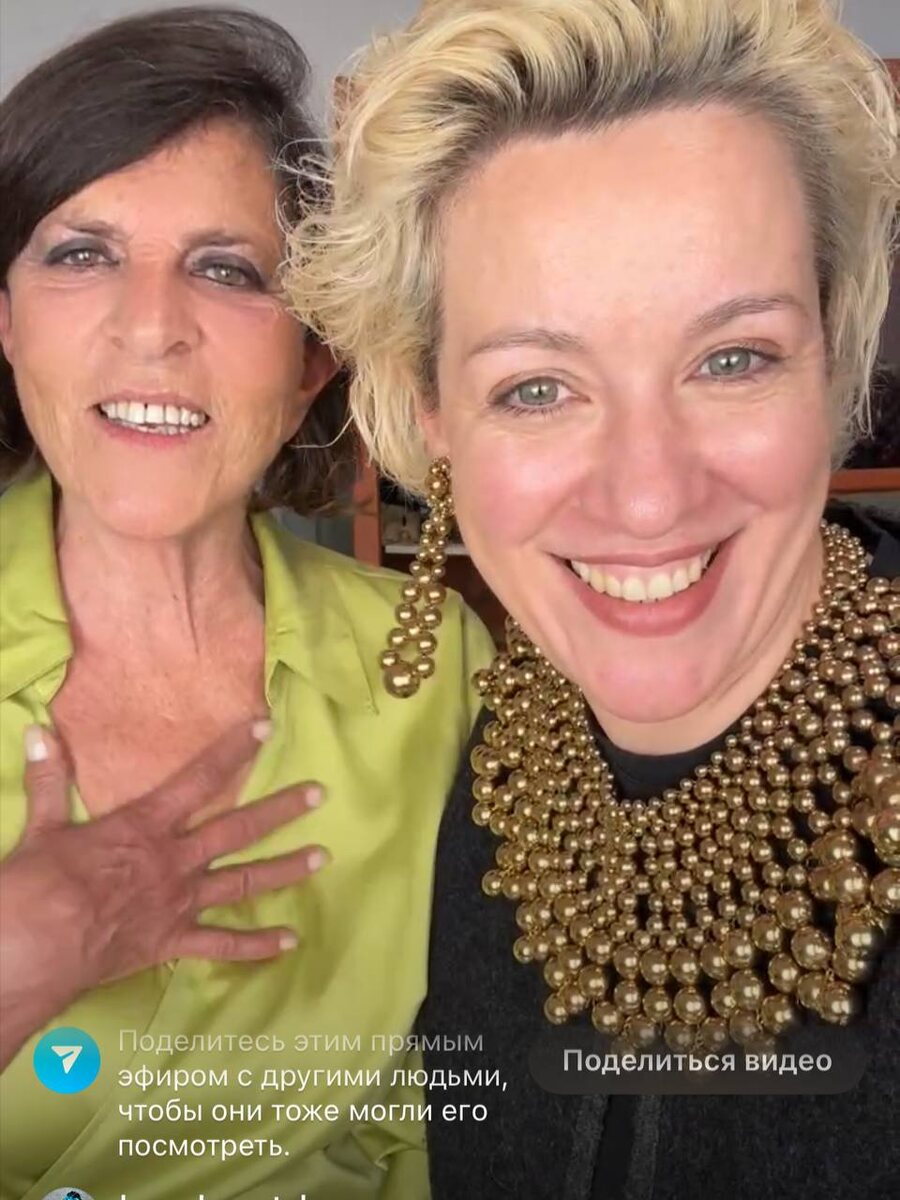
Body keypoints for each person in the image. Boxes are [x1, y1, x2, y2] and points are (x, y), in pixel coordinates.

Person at [286, 0, 900, 1197]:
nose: (648, 495)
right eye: (536, 387)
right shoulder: (502, 766)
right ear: (432, 413)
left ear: (832, 360)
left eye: (732, 360)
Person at [0, 9, 492, 1200]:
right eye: (81, 253)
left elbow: (476, 1106)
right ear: (5, 320)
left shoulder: (430, 663)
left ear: (314, 357)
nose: (151, 328)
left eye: (227, 270)